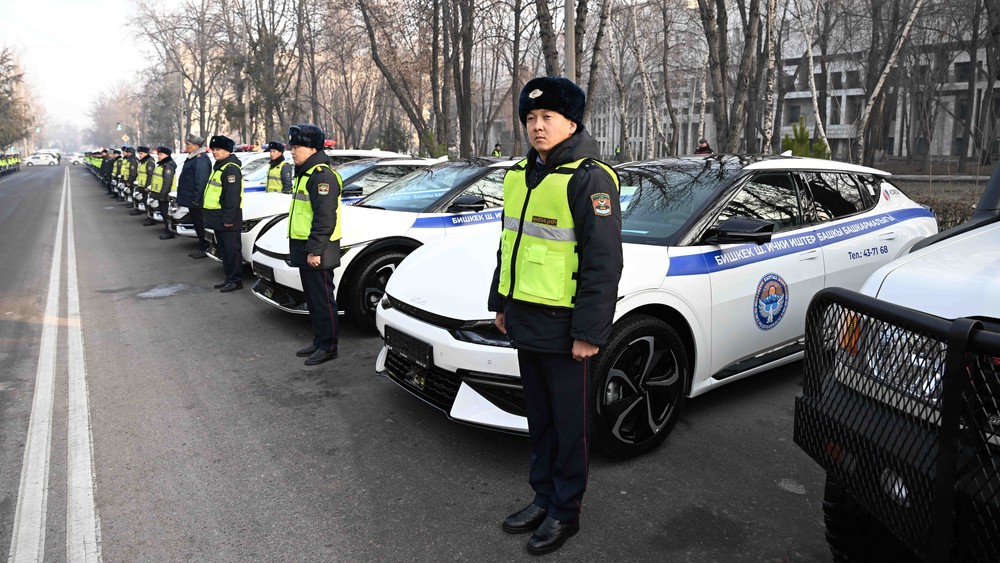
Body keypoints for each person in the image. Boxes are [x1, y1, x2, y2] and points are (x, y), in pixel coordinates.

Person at [489, 76, 623, 556]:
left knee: (570, 425)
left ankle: (566, 511)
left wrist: (589, 332)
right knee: (540, 419)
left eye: (548, 117)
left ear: (571, 122)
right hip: (526, 320)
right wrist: (501, 303)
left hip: (567, 329)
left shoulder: (590, 178)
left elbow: (603, 263)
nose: (538, 126)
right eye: (530, 118)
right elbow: (510, 245)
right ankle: (542, 496)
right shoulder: (520, 175)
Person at [287, 124, 341, 366]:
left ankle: (328, 346)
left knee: (323, 300)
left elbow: (324, 218)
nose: (292, 151)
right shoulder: (306, 173)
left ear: (311, 149)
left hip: (318, 250)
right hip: (306, 247)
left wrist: (315, 251)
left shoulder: (322, 175)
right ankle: (319, 340)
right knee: (313, 299)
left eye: (297, 146)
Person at [204, 135, 244, 292]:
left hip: (228, 218)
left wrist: (228, 219)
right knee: (225, 251)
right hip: (218, 217)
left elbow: (232, 197)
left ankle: (235, 280)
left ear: (227, 150)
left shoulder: (230, 169)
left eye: (218, 149)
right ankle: (229, 278)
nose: (215, 152)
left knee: (232, 251)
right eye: (213, 149)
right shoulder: (220, 167)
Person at [174, 134, 212, 247]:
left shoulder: (200, 159)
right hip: (192, 198)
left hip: (196, 200)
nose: (186, 146)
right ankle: (202, 244)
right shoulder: (194, 157)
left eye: (188, 144)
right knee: (197, 223)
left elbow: (201, 181)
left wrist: (196, 199)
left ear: (196, 146)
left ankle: (205, 246)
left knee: (200, 223)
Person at [147, 147, 177, 236]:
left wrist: (163, 195)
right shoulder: (162, 164)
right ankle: (167, 230)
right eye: (158, 154)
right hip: (161, 193)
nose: (158, 156)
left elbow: (167, 182)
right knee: (164, 213)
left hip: (165, 194)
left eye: (161, 154)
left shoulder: (168, 166)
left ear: (167, 155)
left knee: (166, 213)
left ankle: (169, 232)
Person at [131, 146, 155, 215]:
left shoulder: (149, 162)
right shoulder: (142, 162)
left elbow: (150, 176)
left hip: (145, 186)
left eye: (141, 153)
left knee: (147, 202)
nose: (139, 155)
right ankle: (147, 215)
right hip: (141, 184)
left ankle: (150, 216)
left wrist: (147, 186)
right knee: (144, 201)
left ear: (146, 153)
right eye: (139, 153)